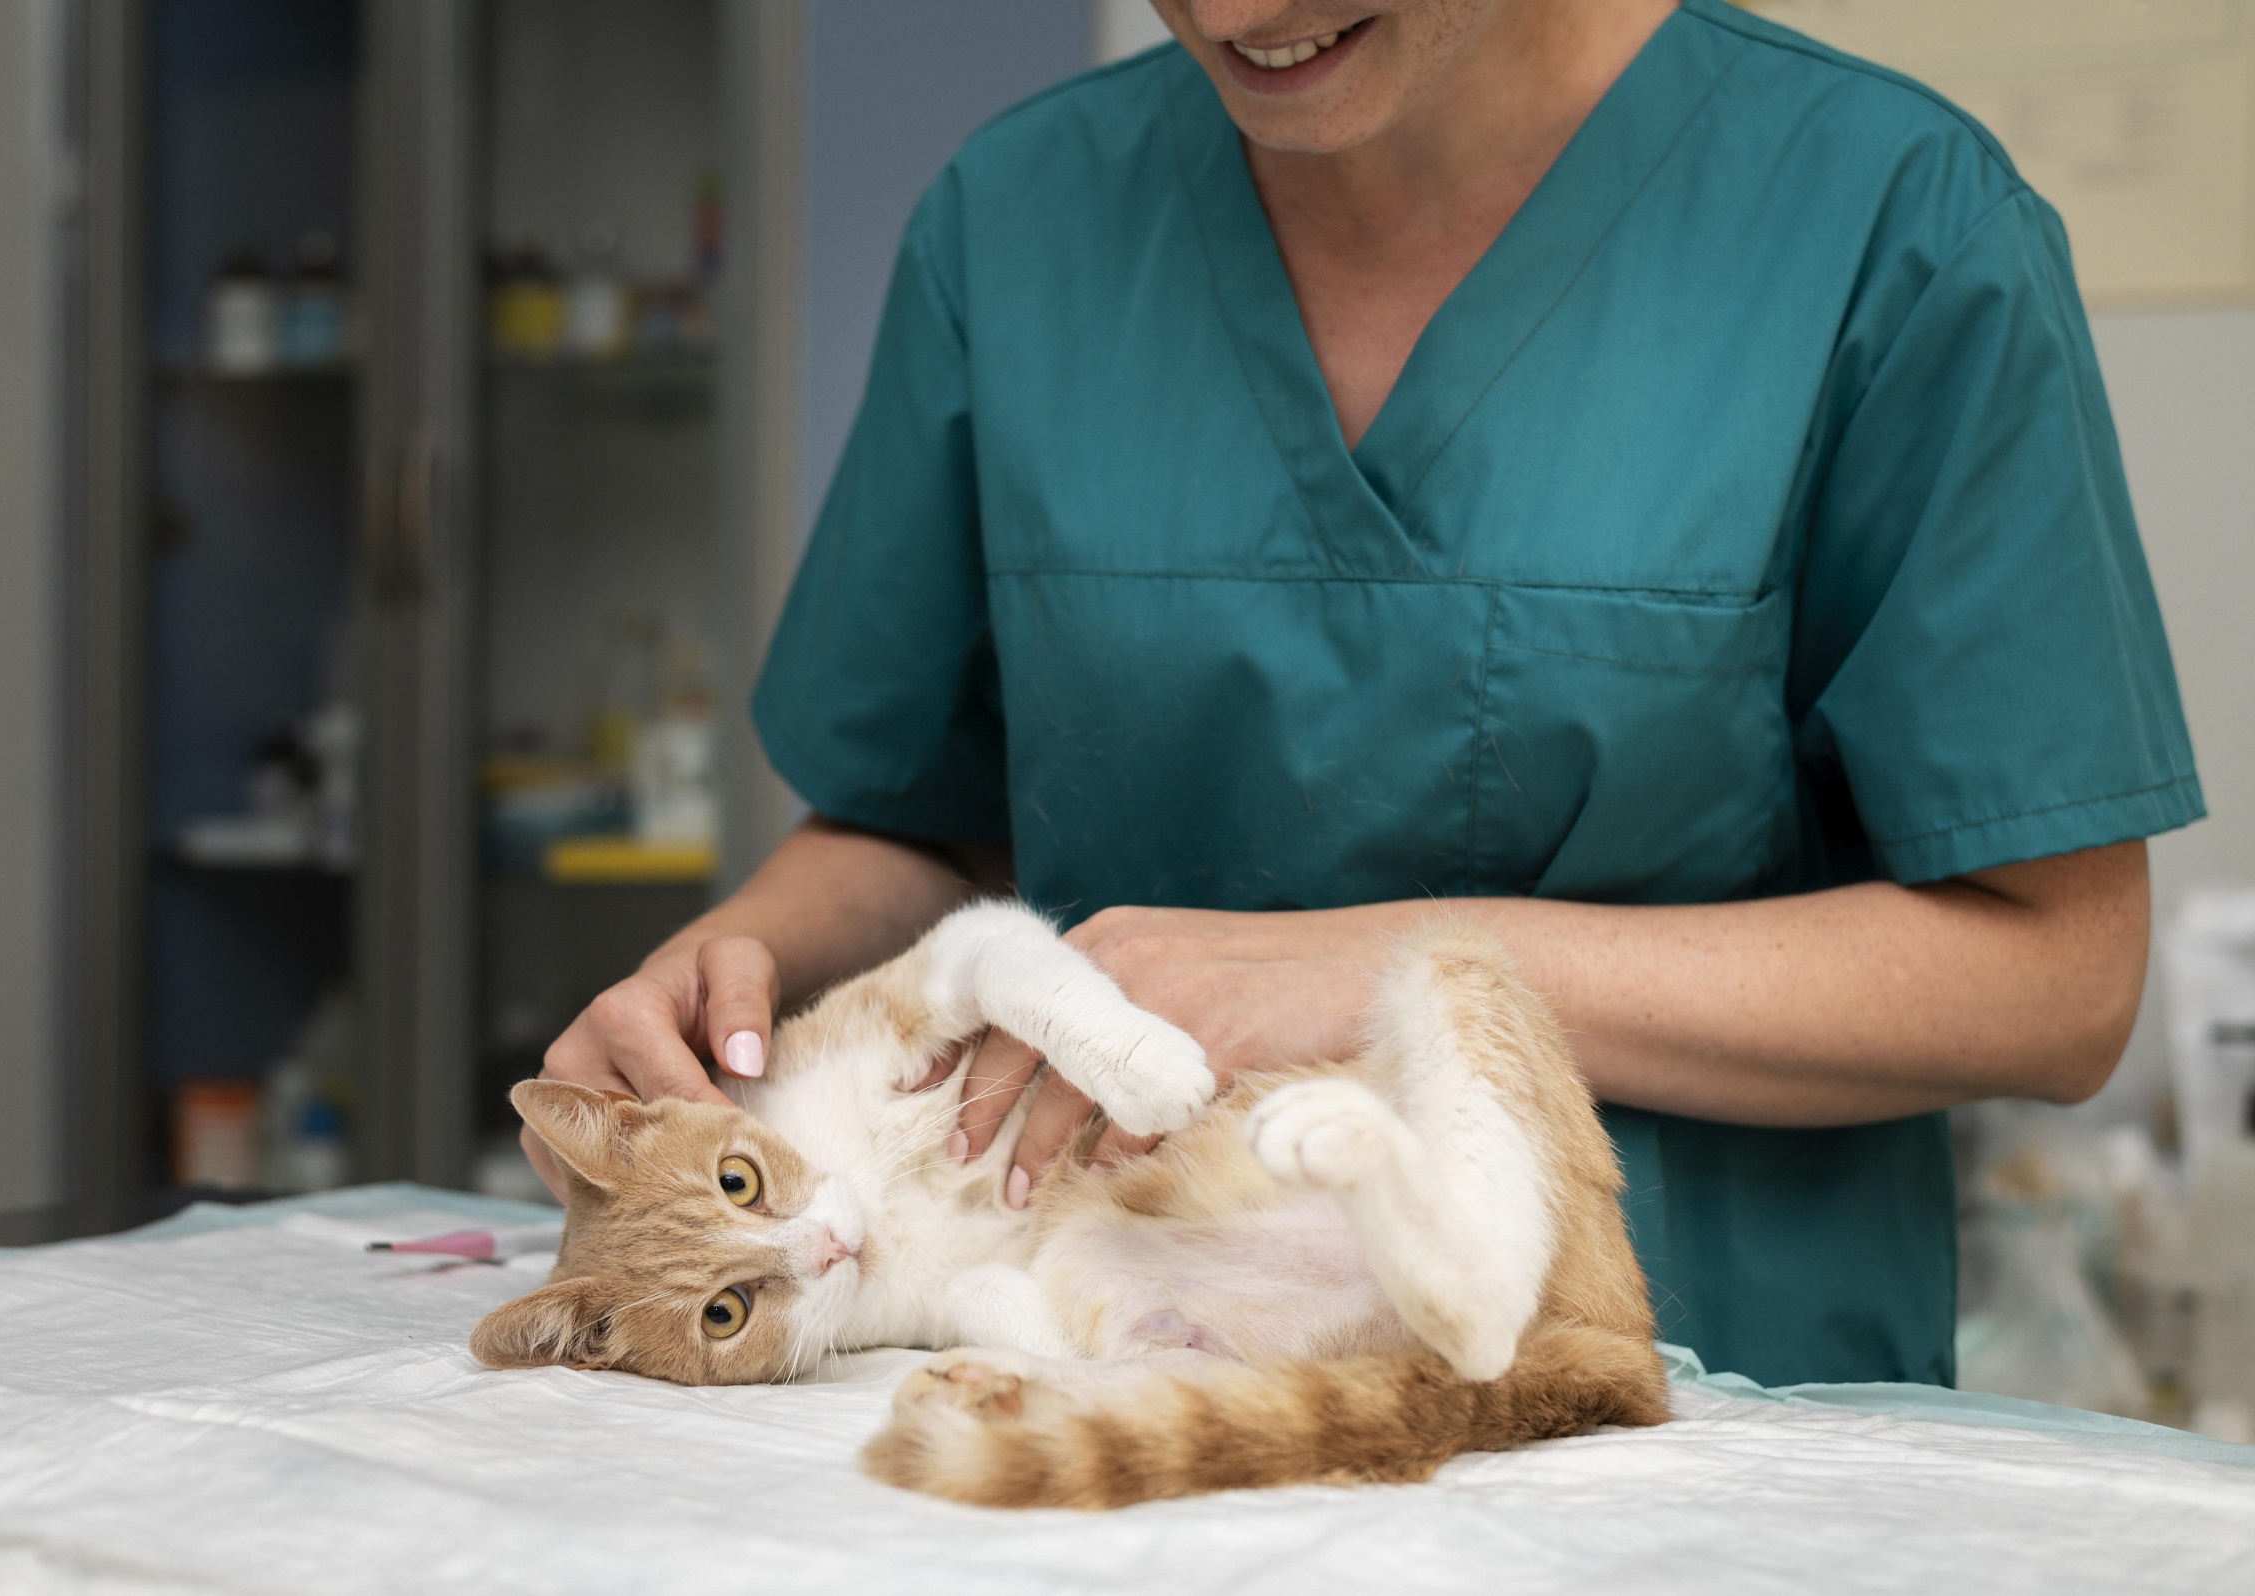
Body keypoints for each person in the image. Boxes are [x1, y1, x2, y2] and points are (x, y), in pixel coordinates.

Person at [527, 0, 2201, 1388]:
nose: (1242, 15)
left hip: (1666, 1404)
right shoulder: (1016, 224)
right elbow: (918, 817)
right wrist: (722, 984)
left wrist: (1378, 971)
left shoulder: (1888, 230)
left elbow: (2058, 977)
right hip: (1100, 1374)